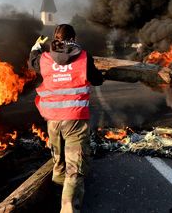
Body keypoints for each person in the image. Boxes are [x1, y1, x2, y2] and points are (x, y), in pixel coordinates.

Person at [28, 24, 104, 213]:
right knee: (74, 167)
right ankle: (68, 208)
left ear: (55, 38)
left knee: (59, 161)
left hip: (52, 120)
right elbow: (96, 79)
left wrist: (36, 47)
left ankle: (59, 195)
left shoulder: (44, 59)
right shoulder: (84, 57)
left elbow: (32, 62)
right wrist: (100, 75)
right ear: (74, 38)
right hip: (75, 119)